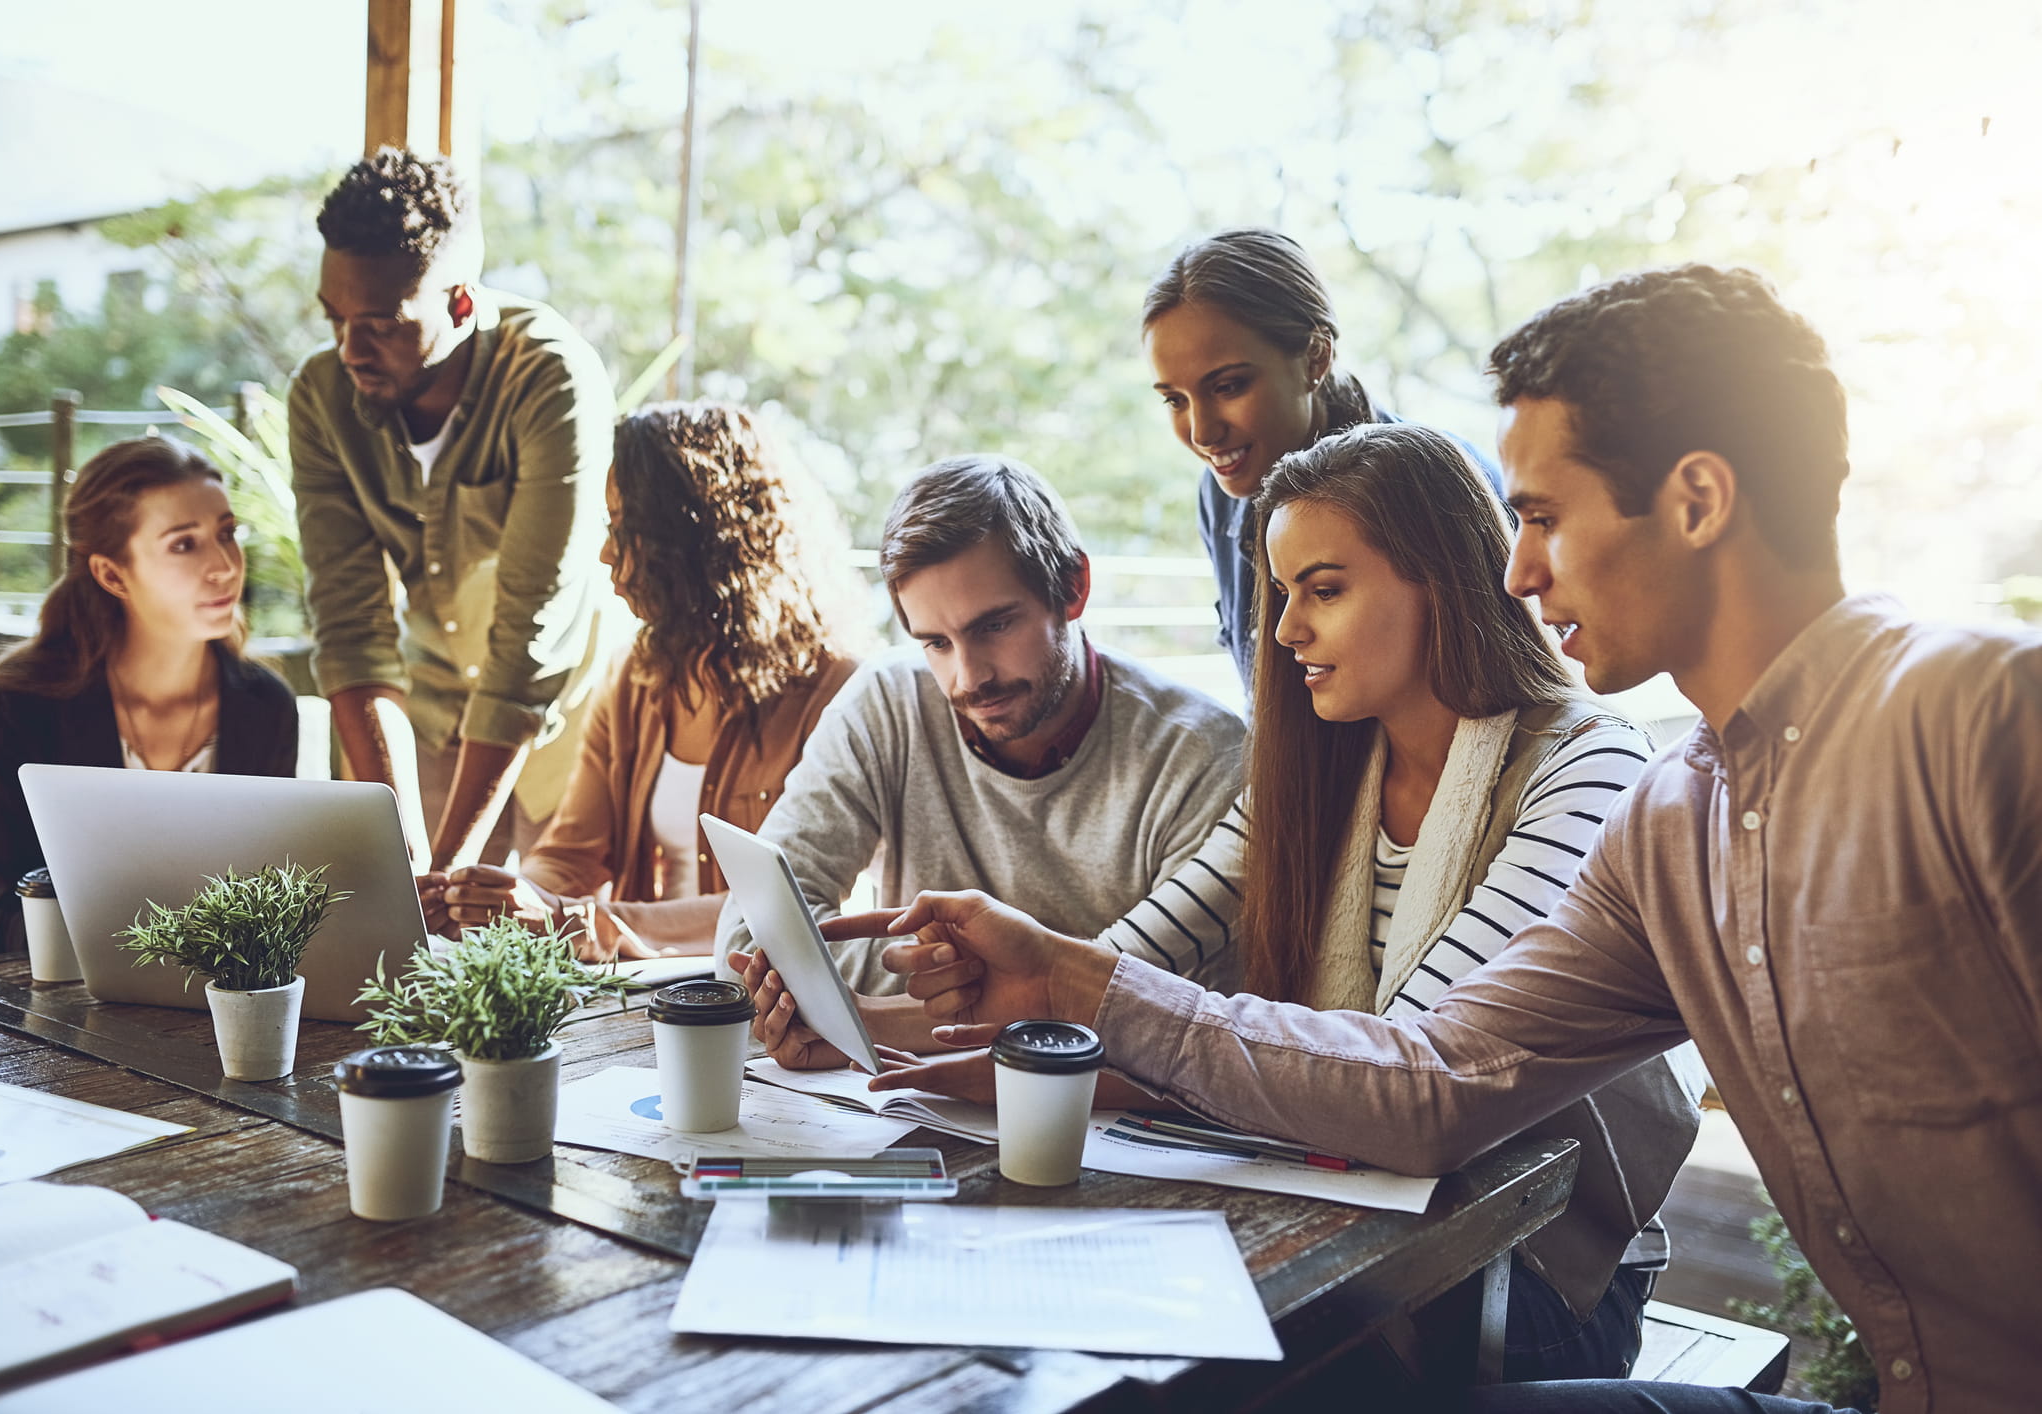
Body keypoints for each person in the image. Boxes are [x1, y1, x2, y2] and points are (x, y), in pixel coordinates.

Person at [853, 266, 2041, 1414]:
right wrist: (1050, 993)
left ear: (1695, 499)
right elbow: (1431, 1082)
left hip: (1529, 1278)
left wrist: (1088, 1001)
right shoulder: (1676, 821)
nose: (1517, 569)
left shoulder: (1980, 716)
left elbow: (1404, 1067)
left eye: (1538, 515)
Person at [857, 423, 1699, 1382]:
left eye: (1325, 590)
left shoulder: (1586, 765)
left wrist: (1080, 1002)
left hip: (1525, 1271)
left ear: (1444, 580)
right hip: (1351, 1218)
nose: (1287, 629)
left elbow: (1408, 1087)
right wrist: (890, 1022)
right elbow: (1136, 964)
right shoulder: (1317, 775)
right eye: (1282, 593)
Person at [713, 453, 1244, 1053]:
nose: (969, 678)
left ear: (1073, 588)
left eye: (994, 626)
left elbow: (1180, 1023)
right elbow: (748, 945)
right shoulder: (887, 703)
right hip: (911, 1109)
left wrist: (870, 1009)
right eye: (936, 642)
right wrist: (978, 983)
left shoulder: (1201, 757)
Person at [432, 403, 861, 957]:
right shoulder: (636, 675)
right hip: (643, 997)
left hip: (766, 1006)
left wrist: (574, 922)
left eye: (625, 528)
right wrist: (506, 899)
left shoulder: (833, 691)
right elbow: (571, 855)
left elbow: (789, 906)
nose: (608, 553)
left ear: (696, 538)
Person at [290, 147, 613, 876]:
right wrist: (400, 837)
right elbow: (349, 626)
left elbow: (529, 637)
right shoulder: (320, 395)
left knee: (556, 955)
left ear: (460, 302)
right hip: (423, 710)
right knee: (404, 939)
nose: (349, 349)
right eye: (333, 318)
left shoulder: (549, 379)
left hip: (562, 719)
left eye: (379, 324)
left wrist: (449, 863)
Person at [0, 437, 298, 955]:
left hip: (218, 1009)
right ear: (112, 574)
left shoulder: (265, 705)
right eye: (184, 544)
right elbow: (7, 917)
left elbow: (272, 906)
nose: (226, 565)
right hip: (60, 1010)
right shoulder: (21, 702)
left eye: (227, 533)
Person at [1144, 227, 1499, 691]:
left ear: (1315, 357)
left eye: (1228, 386)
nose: (1201, 432)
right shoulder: (1221, 492)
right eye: (1175, 400)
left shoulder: (1438, 487)